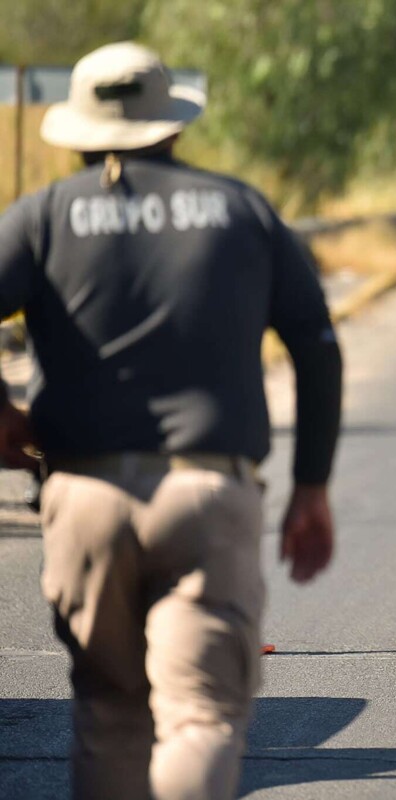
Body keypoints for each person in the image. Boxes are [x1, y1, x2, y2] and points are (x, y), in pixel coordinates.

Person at [0, 42, 343, 799]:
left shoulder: (39, 218)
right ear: (173, 126)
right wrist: (311, 487)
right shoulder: (241, 209)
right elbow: (317, 350)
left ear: (79, 131)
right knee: (199, 718)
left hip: (82, 496)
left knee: (109, 715)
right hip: (206, 493)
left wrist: (1, 414)